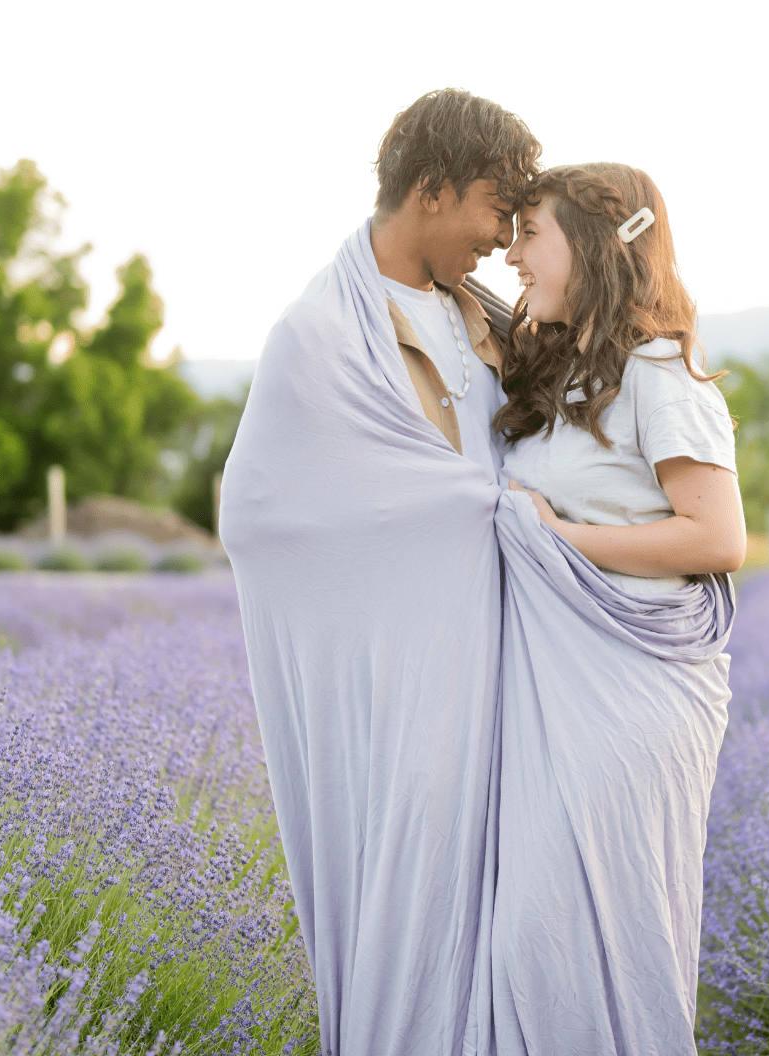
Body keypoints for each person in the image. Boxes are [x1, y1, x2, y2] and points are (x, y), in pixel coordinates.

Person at [219, 89, 540, 1056]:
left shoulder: (488, 314)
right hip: (399, 665)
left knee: (506, 887)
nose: (504, 233)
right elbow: (264, 508)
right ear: (434, 191)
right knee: (415, 863)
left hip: (504, 646)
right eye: (496, 206)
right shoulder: (317, 333)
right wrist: (476, 508)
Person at [489, 163, 745, 1055]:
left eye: (531, 234)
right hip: (556, 689)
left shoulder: (661, 372)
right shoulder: (559, 371)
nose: (512, 255)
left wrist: (557, 534)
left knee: (561, 919)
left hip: (631, 697)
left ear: (594, 248)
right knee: (528, 933)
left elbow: (717, 539)